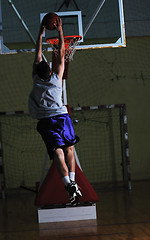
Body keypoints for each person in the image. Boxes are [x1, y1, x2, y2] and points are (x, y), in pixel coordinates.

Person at [28, 17, 82, 206]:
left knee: (57, 152)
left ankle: (68, 184)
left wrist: (41, 35)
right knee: (70, 148)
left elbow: (38, 54)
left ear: (37, 71)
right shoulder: (56, 79)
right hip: (61, 117)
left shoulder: (37, 79)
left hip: (46, 121)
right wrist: (59, 31)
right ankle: (73, 180)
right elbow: (61, 51)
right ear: (49, 71)